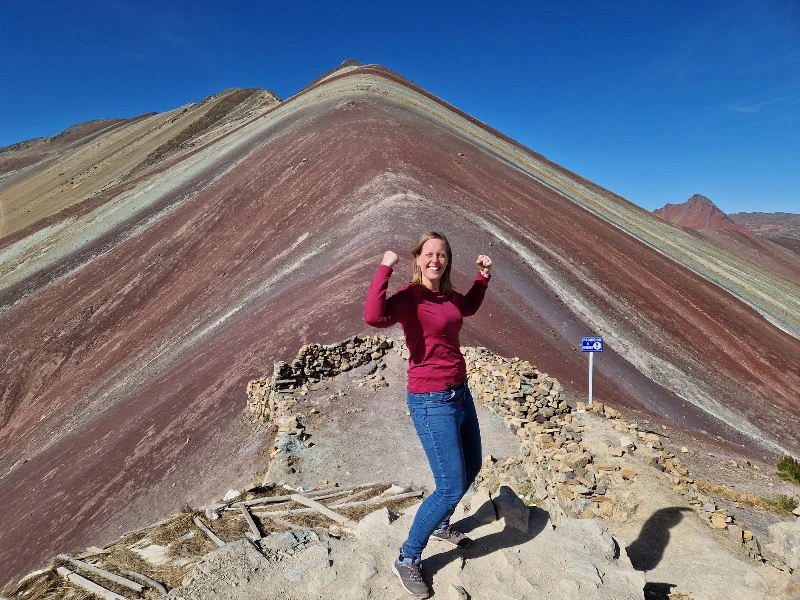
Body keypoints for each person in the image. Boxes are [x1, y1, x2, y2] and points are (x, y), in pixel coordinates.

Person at [364, 231, 492, 598]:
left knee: (473, 466)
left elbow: (467, 308)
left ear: (448, 260)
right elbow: (374, 317)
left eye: (442, 254)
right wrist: (384, 270)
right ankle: (407, 558)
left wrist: (483, 278)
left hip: (460, 392)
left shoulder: (449, 297)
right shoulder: (408, 298)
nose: (435, 260)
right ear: (418, 258)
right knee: (450, 485)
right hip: (430, 399)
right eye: (429, 254)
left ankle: (441, 523)